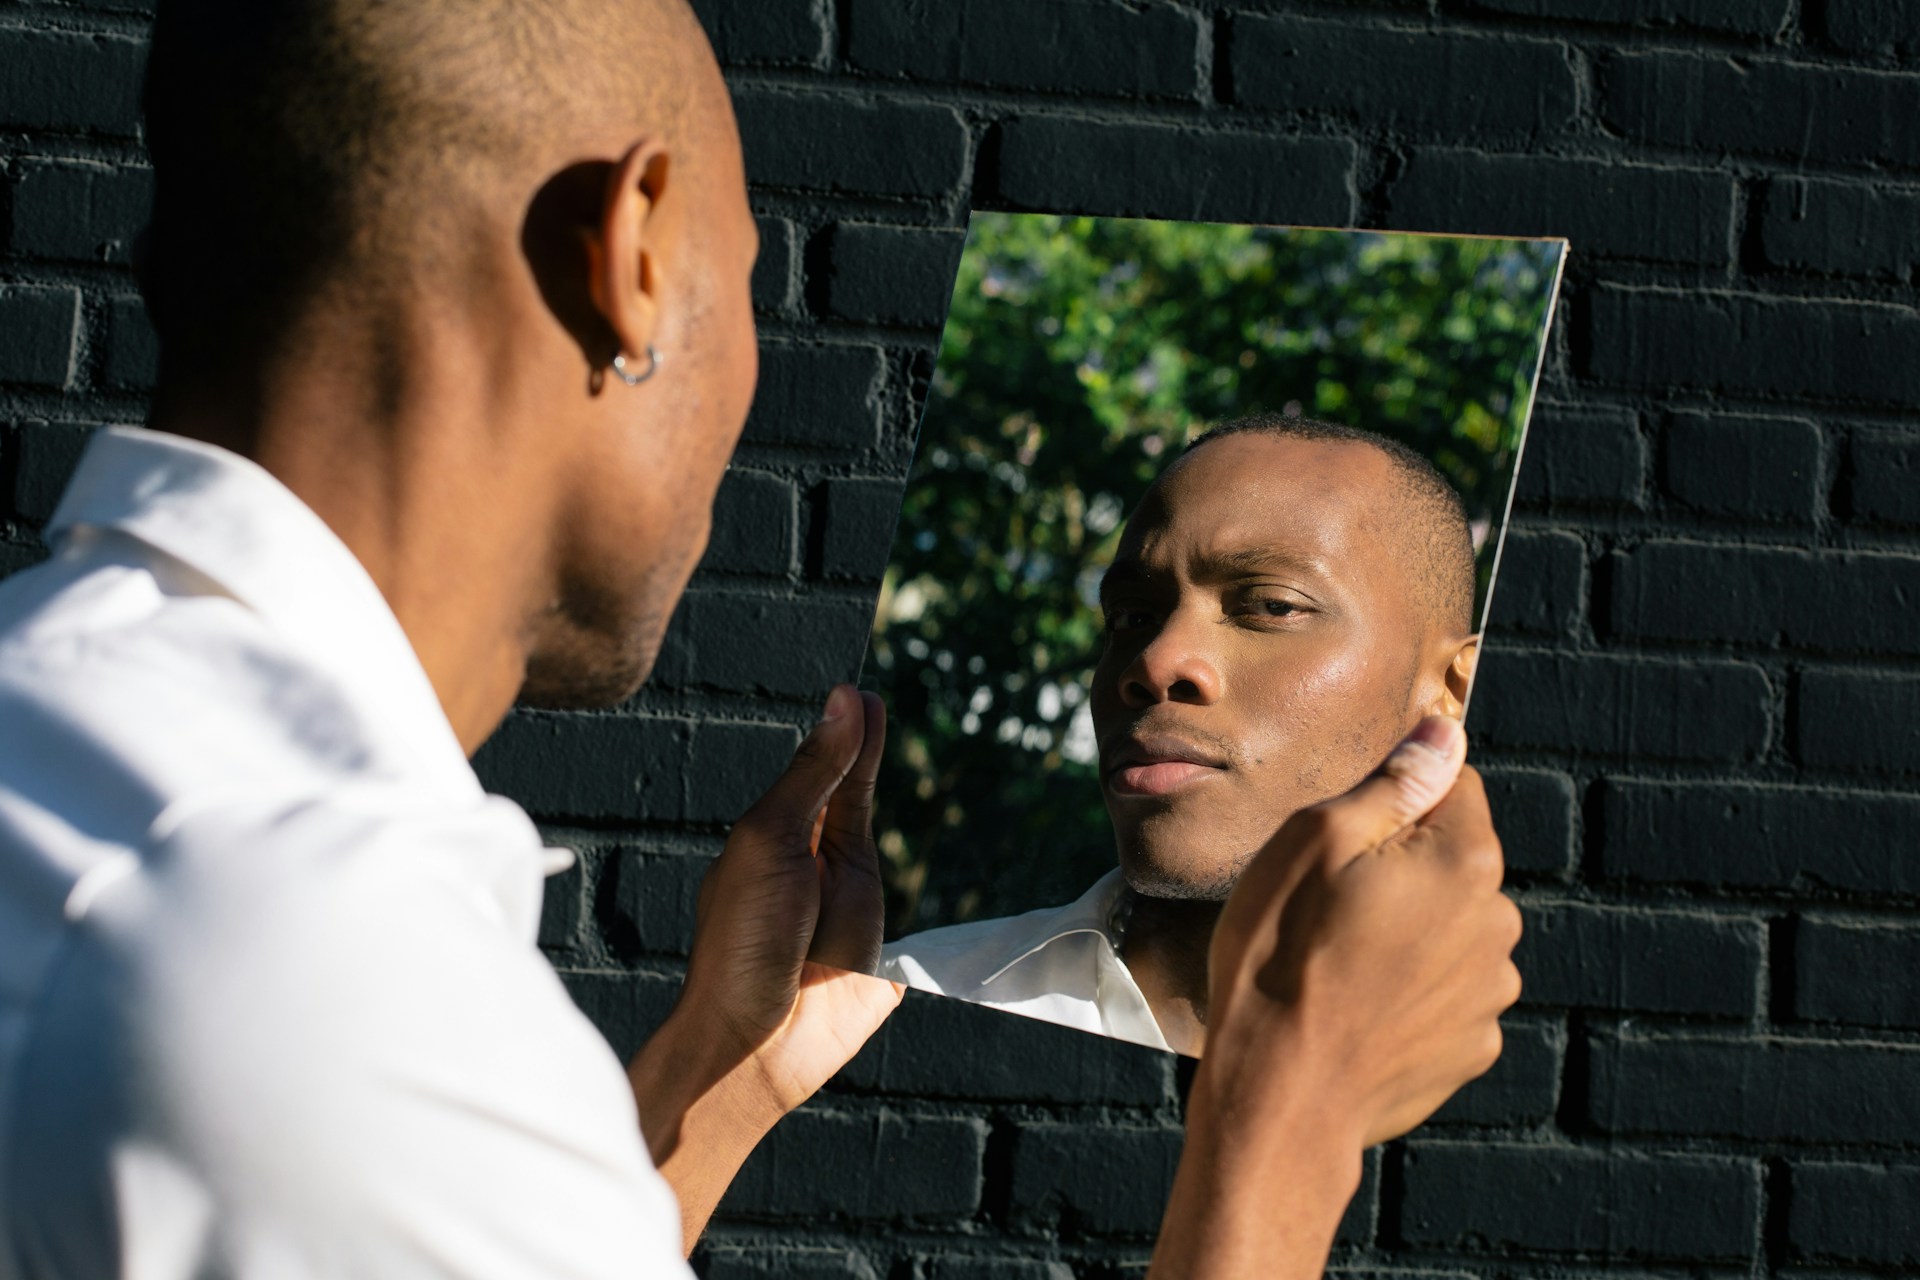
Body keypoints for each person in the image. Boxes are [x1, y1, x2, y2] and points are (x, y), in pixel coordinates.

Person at [0, 3, 1521, 1278]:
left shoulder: (81, 744)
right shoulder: (293, 960)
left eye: (1265, 606)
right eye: (745, 284)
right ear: (635, 254)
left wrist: (718, 1086)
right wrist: (1288, 1114)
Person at [882, 414, 1483, 1057]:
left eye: (1271, 606)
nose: (1157, 662)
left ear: (1450, 692)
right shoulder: (895, 1001)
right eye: (1132, 617)